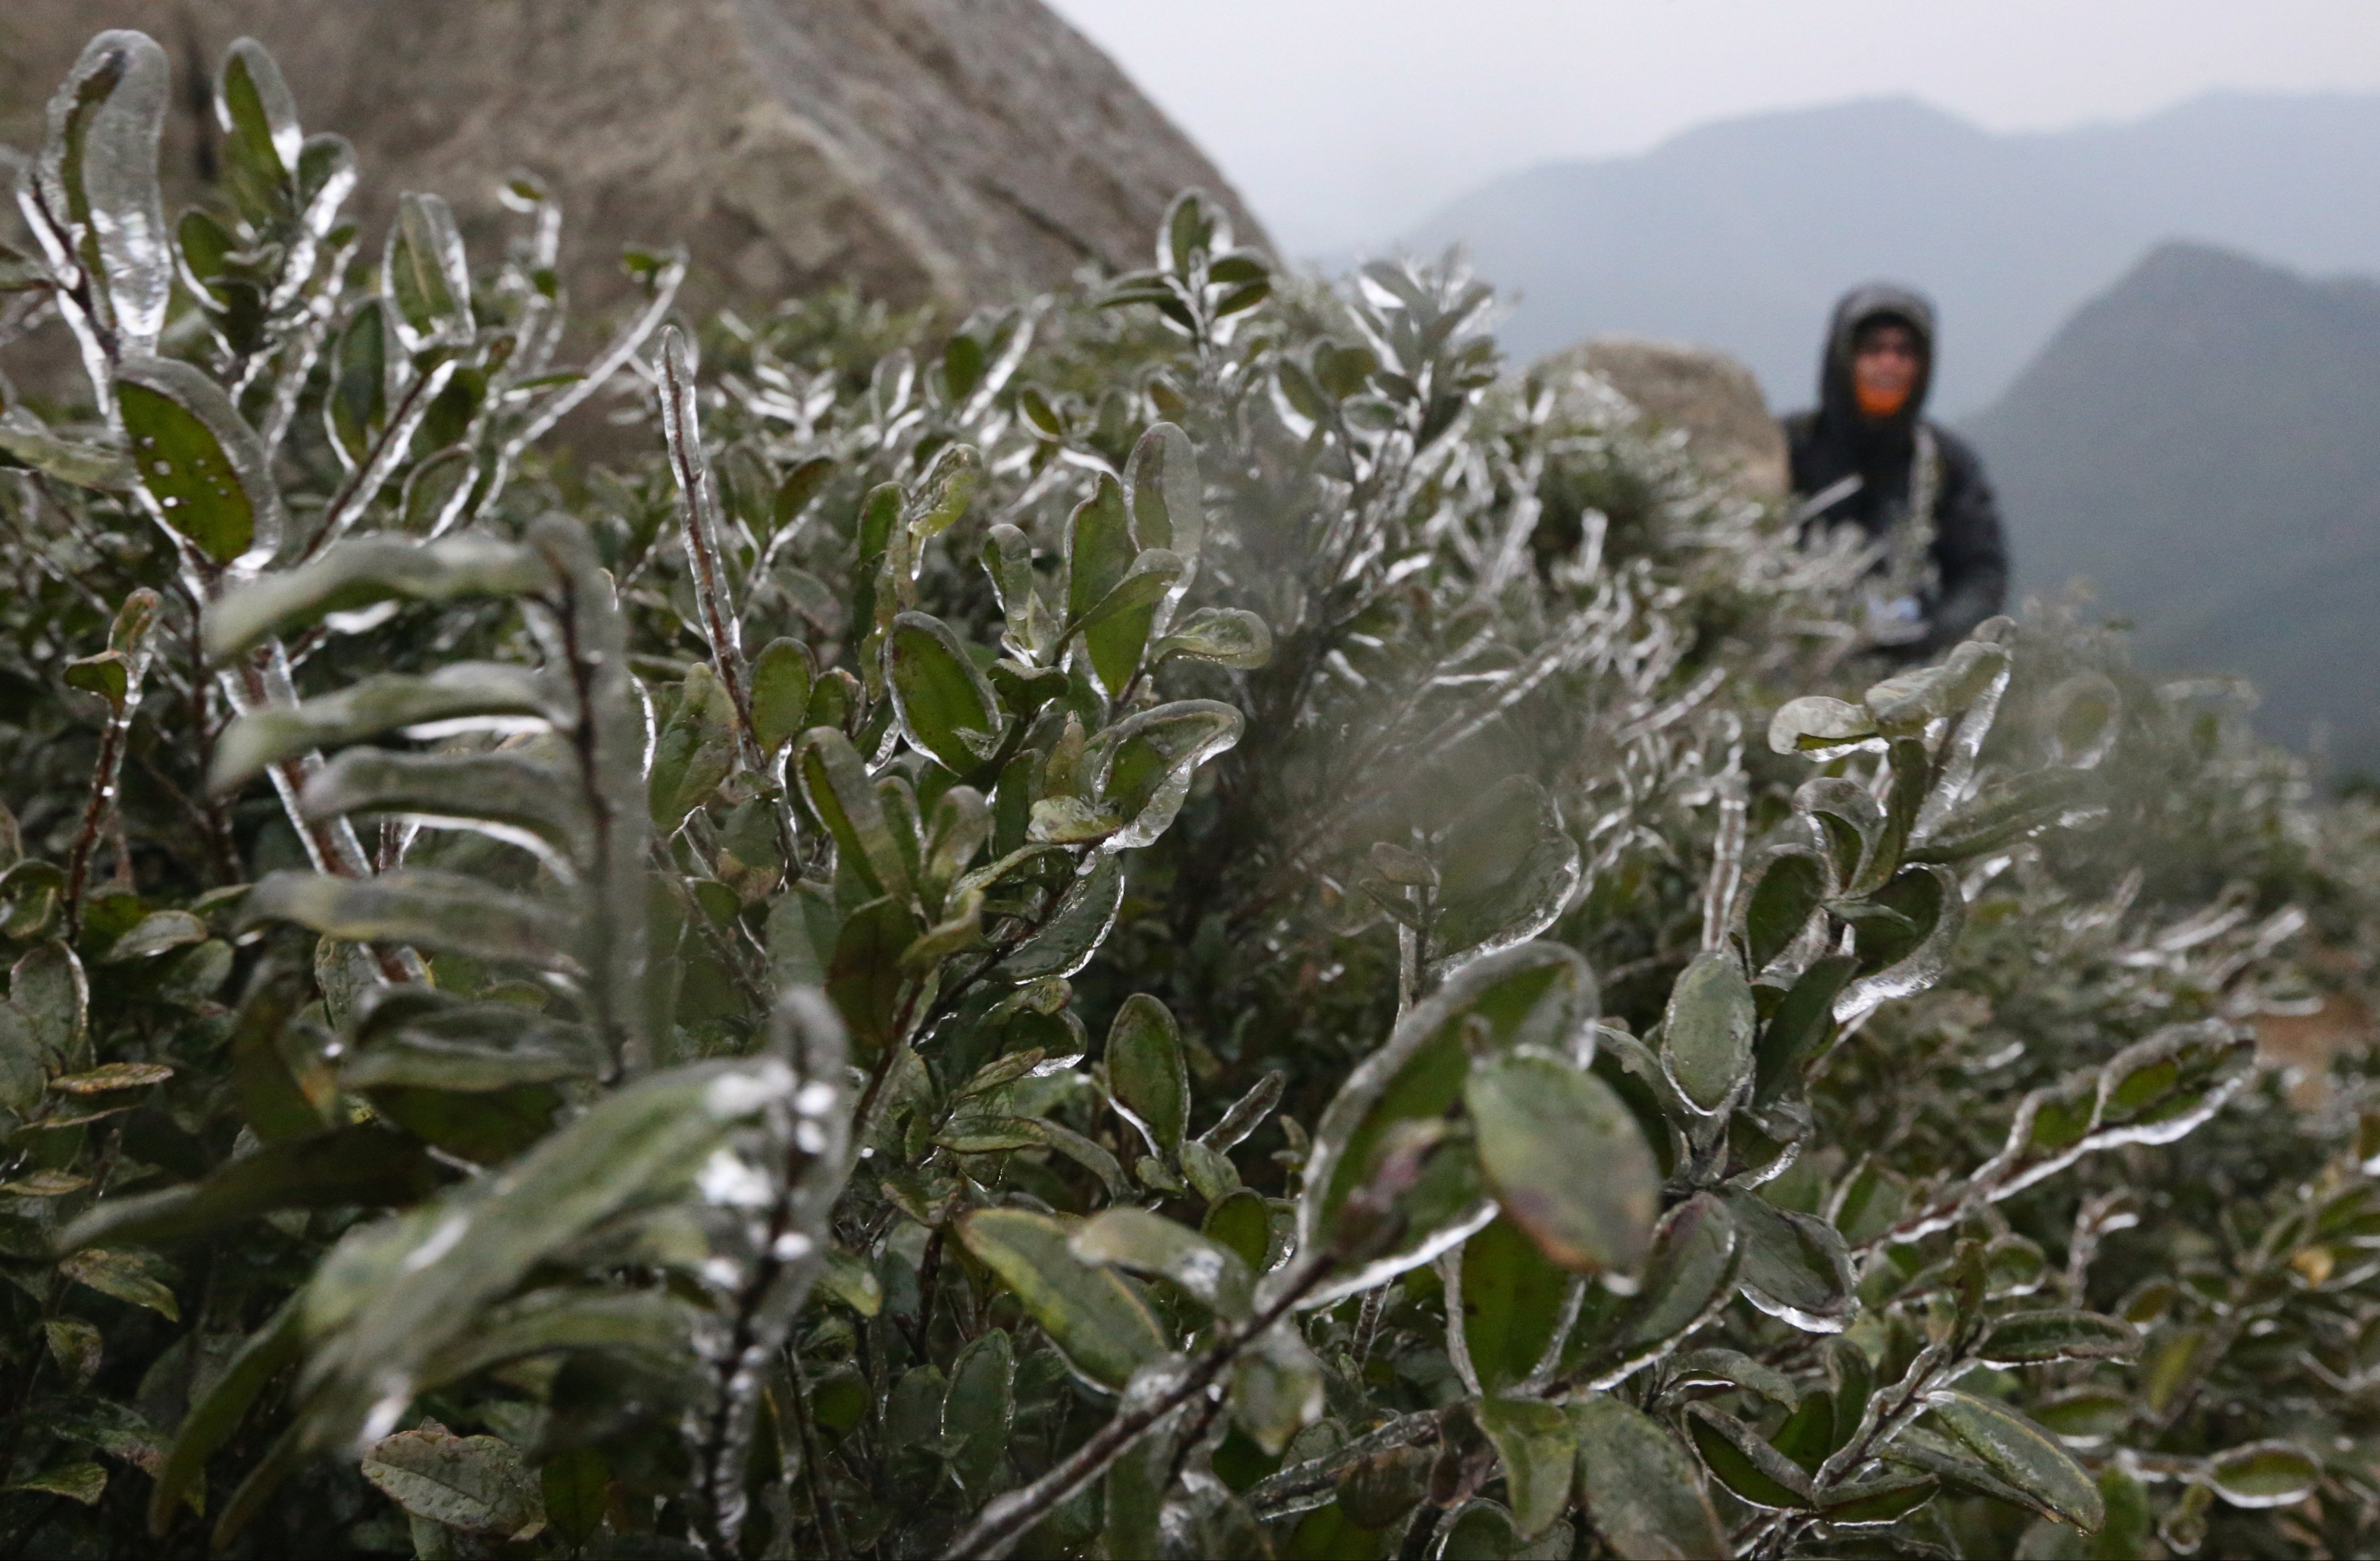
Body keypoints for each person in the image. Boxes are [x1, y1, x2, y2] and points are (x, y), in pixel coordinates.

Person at [1784, 283, 2008, 658]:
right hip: (1796, 661)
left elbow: (1981, 572)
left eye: (1904, 352)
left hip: (1904, 678)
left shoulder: (1943, 461)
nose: (1889, 364)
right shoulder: (1790, 447)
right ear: (1843, 358)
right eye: (1873, 349)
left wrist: (1934, 640)